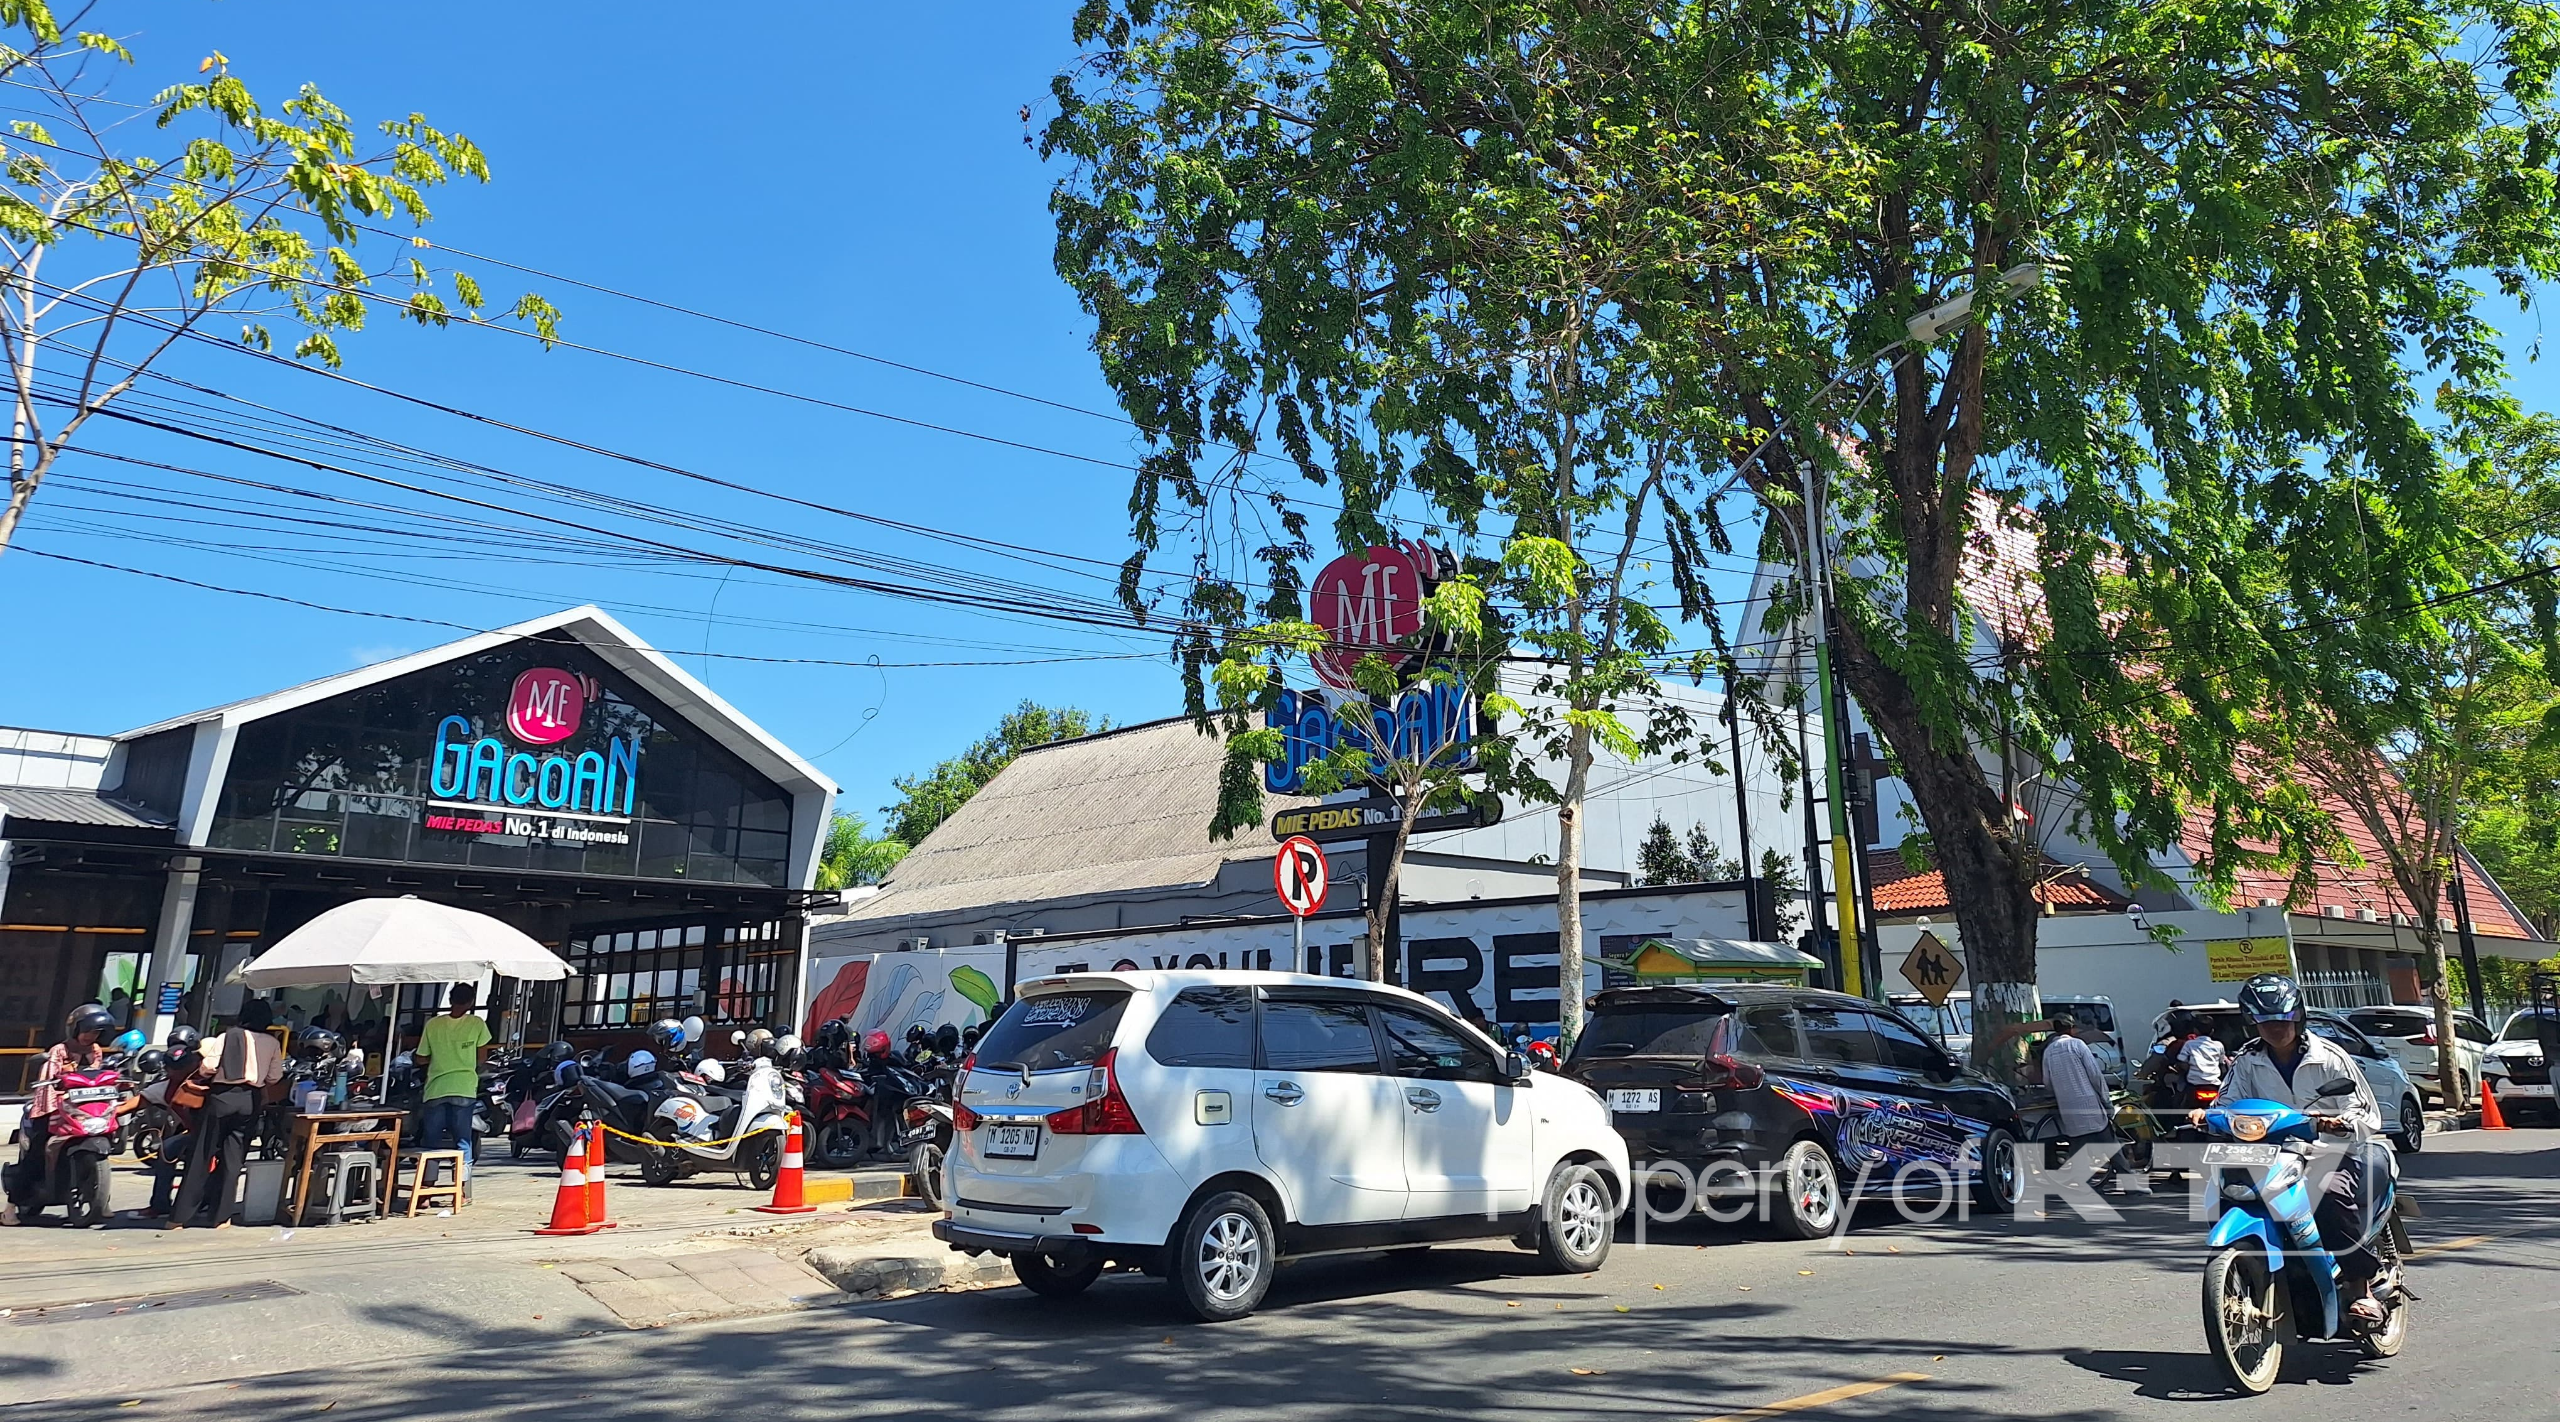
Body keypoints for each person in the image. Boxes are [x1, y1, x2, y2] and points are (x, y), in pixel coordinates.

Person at [2193, 973, 2389, 1326]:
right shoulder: (2247, 1059)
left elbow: (2364, 1111)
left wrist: (2337, 1121)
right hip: (2271, 1153)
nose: (2275, 1028)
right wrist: (2207, 1115)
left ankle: (2361, 1288)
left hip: (2330, 1150)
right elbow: (2227, 1102)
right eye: (2265, 1021)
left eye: (2282, 1019)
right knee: (2227, 1191)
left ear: (2297, 1016)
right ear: (2252, 1021)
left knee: (2328, 1195)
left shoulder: (2329, 1056)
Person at [4, 1005, 118, 1225]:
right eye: (88, 1031)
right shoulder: (60, 1050)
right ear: (75, 1029)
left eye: (95, 1033)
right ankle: (10, 1208)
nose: (91, 1037)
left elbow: (96, 1077)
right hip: (52, 1108)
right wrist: (61, 1078)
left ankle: (101, 1201)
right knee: (35, 1156)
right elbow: (49, 1077)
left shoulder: (95, 1050)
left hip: (82, 1109)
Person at [171, 1018, 282, 1228]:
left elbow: (208, 1067)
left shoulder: (228, 1036)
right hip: (251, 1100)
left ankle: (179, 1217)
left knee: (202, 1154)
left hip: (222, 1097)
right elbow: (275, 1077)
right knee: (234, 1159)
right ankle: (221, 1217)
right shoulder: (272, 1042)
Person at [414, 983, 491, 1194]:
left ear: (450, 1000)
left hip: (436, 1088)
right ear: (471, 1002)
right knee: (462, 1140)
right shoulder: (477, 1024)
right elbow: (482, 1058)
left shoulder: (433, 1025)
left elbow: (421, 1057)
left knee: (431, 1141)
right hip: (464, 1087)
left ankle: (426, 1192)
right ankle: (462, 1191)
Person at [2041, 1010, 2115, 1172]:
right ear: (2072, 1028)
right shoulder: (2077, 1045)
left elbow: (2047, 1082)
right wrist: (2106, 1101)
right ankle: (2129, 1182)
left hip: (2067, 1106)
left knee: (2077, 1143)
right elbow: (2095, 1075)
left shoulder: (2048, 1051)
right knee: (2110, 1145)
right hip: (2089, 1104)